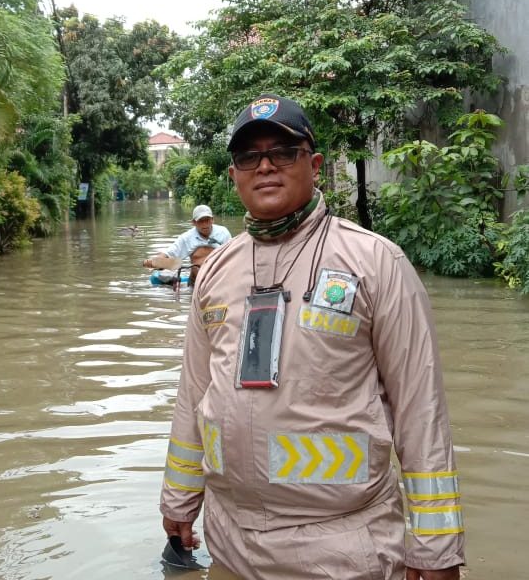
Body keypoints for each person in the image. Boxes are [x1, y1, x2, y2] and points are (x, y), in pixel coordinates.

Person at [159, 93, 464, 579]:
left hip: (342, 549)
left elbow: (420, 410)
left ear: (314, 163)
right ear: (234, 173)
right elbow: (194, 394)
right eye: (248, 157)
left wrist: (435, 548)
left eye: (282, 152)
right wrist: (178, 499)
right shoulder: (216, 269)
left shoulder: (375, 262)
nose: (265, 167)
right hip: (230, 543)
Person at [142, 205, 231, 270]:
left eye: (207, 220)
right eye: (200, 221)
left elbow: (232, 254)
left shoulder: (223, 232)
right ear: (194, 223)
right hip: (198, 273)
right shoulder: (187, 238)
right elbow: (169, 253)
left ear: (212, 220)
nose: (205, 225)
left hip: (220, 271)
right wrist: (155, 261)